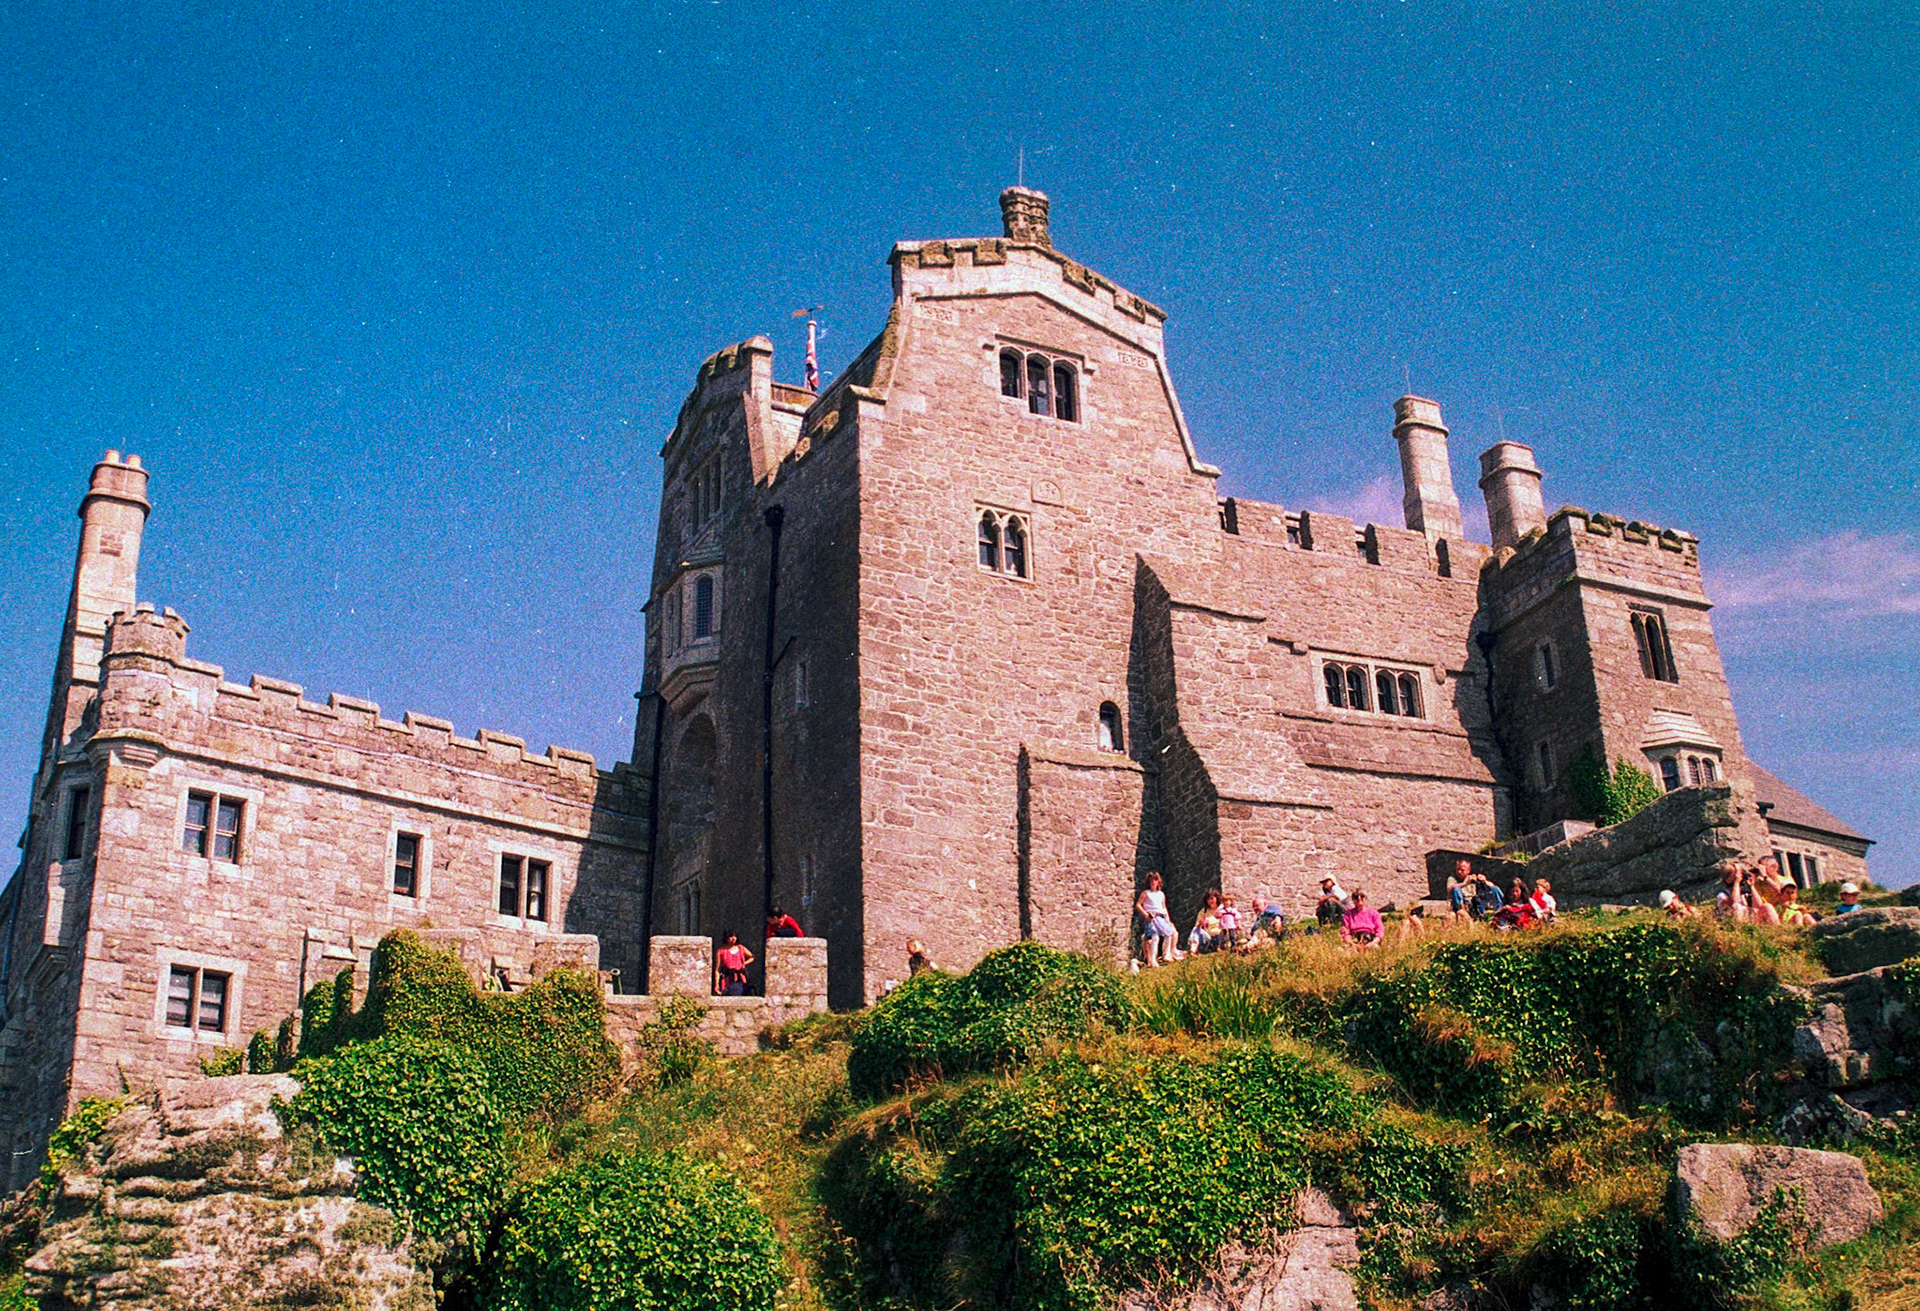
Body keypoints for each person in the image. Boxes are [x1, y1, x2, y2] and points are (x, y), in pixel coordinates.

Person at [1137, 872, 1182, 967]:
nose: (1153, 882)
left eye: (1155, 880)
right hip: (1152, 917)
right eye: (1151, 880)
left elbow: (1164, 907)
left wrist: (1168, 920)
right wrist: (1145, 914)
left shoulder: (1161, 894)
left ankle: (1167, 954)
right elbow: (1138, 905)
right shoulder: (1146, 893)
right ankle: (1152, 960)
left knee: (1169, 933)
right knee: (1155, 937)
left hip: (1161, 917)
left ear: (1158, 881)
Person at [1188, 889, 1225, 954]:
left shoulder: (1223, 908)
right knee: (1195, 929)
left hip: (1221, 934)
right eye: (1208, 899)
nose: (1210, 901)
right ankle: (1192, 950)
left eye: (1212, 898)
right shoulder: (1204, 911)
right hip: (1209, 936)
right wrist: (1201, 923)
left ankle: (1219, 946)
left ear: (1217, 898)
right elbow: (1197, 925)